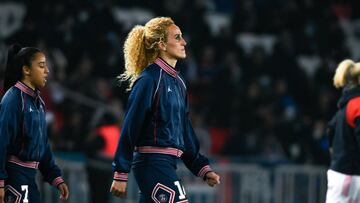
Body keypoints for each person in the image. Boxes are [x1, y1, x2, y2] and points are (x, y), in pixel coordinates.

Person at [110, 17, 221, 202]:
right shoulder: (148, 79)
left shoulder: (179, 83)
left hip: (167, 163)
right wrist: (120, 172)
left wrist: (201, 167)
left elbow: (184, 131)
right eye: (177, 37)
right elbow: (131, 125)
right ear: (161, 44)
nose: (184, 42)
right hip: (151, 163)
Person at [0, 44, 69, 202]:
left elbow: (43, 145)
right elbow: (1, 142)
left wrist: (55, 177)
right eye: (41, 66)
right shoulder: (13, 99)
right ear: (26, 70)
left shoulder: (39, 103)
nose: (47, 71)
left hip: (30, 178)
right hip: (14, 177)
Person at [326, 59, 360, 202]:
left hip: (340, 174)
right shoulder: (356, 105)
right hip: (352, 178)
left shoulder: (345, 105)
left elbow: (330, 130)